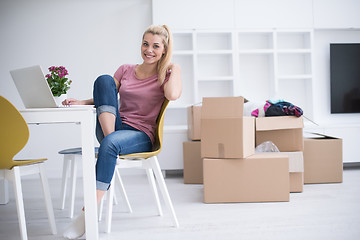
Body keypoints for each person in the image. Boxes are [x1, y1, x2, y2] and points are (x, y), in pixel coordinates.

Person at [62, 24, 182, 239]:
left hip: (140, 135)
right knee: (104, 80)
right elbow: (106, 96)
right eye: (146, 44)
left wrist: (176, 67)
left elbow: (172, 94)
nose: (149, 50)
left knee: (110, 145)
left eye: (156, 46)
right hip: (113, 127)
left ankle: (86, 213)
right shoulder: (126, 69)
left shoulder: (166, 75)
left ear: (164, 50)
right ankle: (111, 144)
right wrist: (82, 102)